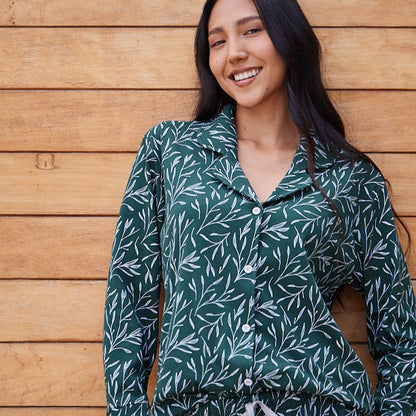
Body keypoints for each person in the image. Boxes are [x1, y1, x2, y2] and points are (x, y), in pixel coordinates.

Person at [103, 0, 416, 415]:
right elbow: (129, 295)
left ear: (289, 38)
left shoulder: (350, 179)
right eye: (217, 42)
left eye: (252, 30)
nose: (233, 52)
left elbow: (400, 335)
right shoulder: (171, 151)